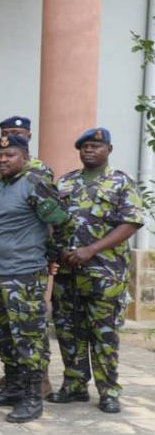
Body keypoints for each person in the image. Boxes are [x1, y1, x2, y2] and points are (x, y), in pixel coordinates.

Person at [0, 133, 68, 423]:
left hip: (25, 274)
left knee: (28, 336)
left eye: (10, 155)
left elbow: (60, 222)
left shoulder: (34, 185)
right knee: (3, 334)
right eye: (0, 156)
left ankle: (32, 395)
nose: (3, 160)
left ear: (25, 158)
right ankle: (14, 387)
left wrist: (50, 258)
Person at [51, 128, 143, 413]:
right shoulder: (66, 182)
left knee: (104, 335)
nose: (88, 150)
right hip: (69, 274)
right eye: (84, 147)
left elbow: (130, 223)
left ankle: (108, 391)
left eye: (95, 146)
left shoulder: (120, 183)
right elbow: (54, 220)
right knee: (69, 331)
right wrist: (58, 249)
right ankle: (75, 385)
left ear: (109, 150)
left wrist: (90, 250)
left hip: (105, 274)